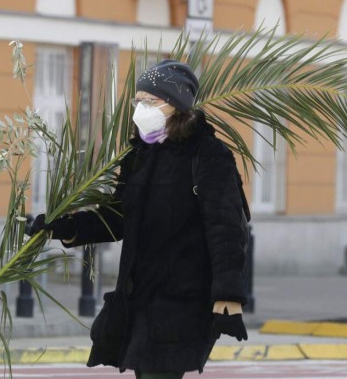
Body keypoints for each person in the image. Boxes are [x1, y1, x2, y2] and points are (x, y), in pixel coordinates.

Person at [30, 59, 249, 379]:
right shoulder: (139, 155)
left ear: (175, 105)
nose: (140, 109)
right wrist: (64, 228)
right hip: (139, 295)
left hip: (182, 300)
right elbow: (117, 218)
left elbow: (226, 230)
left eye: (150, 101)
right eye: (138, 101)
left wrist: (228, 296)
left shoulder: (208, 155)